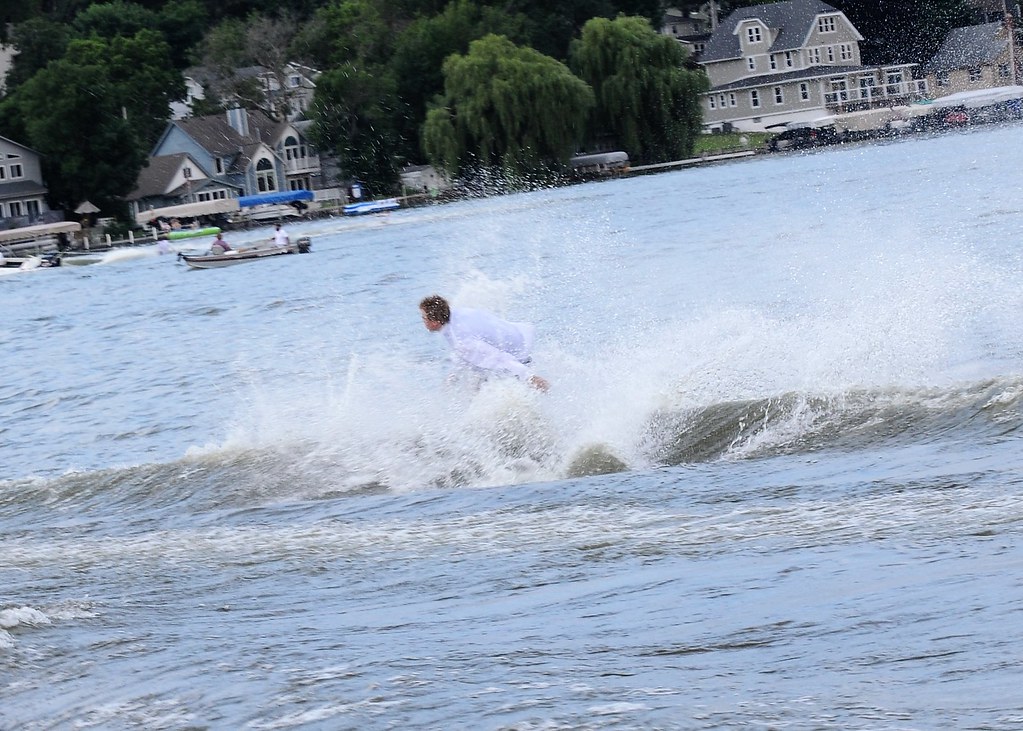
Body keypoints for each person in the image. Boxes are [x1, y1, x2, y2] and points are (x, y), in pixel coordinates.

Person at [419, 295, 549, 391]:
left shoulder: (462, 341)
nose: (422, 321)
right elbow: (466, 355)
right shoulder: (458, 313)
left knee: (478, 385)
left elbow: (498, 357)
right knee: (474, 378)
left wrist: (529, 376)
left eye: (423, 317)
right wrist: (453, 377)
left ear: (435, 321)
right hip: (520, 336)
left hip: (518, 356)